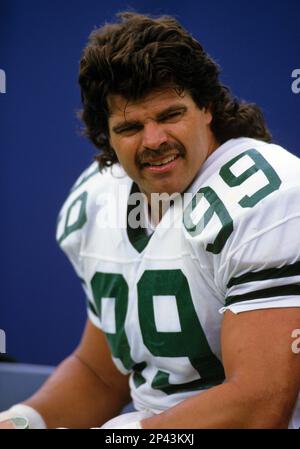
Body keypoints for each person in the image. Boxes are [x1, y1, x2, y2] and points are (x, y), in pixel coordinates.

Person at [1, 11, 300, 429]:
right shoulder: (99, 197)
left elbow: (260, 406)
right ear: (104, 134)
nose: (154, 140)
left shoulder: (267, 198)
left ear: (207, 107)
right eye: (130, 126)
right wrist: (23, 421)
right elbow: (100, 375)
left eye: (170, 115)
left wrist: (127, 435)